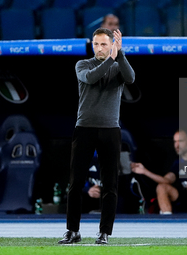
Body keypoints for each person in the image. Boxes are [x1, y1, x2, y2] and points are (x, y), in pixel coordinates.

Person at [58, 27, 135, 245]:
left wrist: (120, 55)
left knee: (110, 183)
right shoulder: (82, 64)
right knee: (75, 182)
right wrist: (112, 58)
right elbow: (91, 78)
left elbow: (130, 77)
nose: (99, 48)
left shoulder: (117, 63)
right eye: (96, 44)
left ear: (112, 44)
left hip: (110, 129)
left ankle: (104, 232)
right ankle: (73, 231)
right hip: (84, 128)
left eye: (103, 44)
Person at [131, 129, 187, 215]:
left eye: (180, 141)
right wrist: (144, 171)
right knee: (161, 187)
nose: (176, 145)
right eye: (175, 142)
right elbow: (166, 180)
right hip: (181, 196)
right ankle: (167, 221)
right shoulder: (177, 163)